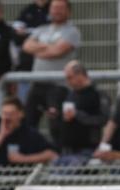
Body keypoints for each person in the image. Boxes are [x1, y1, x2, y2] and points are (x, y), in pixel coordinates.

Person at [21, 0, 80, 144]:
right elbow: (27, 46)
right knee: (27, 121)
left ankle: (59, 157)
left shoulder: (72, 31)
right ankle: (30, 157)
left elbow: (58, 51)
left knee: (56, 124)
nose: (57, 11)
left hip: (58, 85)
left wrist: (39, 49)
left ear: (68, 11)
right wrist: (49, 47)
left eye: (61, 8)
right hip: (37, 83)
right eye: (54, 8)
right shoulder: (41, 29)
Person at [0, 96, 57, 165]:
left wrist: (23, 159)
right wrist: (1, 135)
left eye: (11, 114)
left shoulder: (29, 133)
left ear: (21, 114)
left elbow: (52, 155)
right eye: (5, 114)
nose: (7, 118)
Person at [57, 61, 106, 165]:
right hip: (67, 149)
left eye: (70, 77)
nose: (67, 81)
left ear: (80, 75)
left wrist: (77, 115)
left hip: (87, 149)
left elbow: (103, 119)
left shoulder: (97, 94)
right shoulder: (71, 94)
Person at [12, 0, 51, 101]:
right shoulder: (28, 11)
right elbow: (17, 36)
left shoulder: (54, 9)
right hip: (27, 68)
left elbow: (55, 40)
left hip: (49, 71)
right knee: (25, 105)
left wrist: (28, 33)